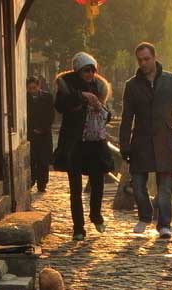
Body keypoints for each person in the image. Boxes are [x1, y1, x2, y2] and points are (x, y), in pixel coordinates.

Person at [119, 42, 172, 239]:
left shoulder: (171, 81)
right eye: (140, 60)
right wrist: (124, 144)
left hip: (165, 140)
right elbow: (127, 118)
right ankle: (145, 215)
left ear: (154, 57)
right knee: (139, 187)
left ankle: (165, 224)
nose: (143, 63)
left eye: (146, 59)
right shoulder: (131, 86)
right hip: (140, 141)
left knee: (165, 187)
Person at [54, 52, 115, 241]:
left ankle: (95, 215)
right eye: (86, 70)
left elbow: (107, 116)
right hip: (74, 144)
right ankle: (78, 228)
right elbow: (60, 106)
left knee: (98, 184)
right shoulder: (66, 87)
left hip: (95, 144)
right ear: (78, 71)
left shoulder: (99, 87)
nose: (89, 74)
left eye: (92, 70)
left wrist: (98, 107)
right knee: (75, 190)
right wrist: (81, 97)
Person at [27, 76, 54, 193]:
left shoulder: (47, 97)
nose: (32, 90)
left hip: (45, 134)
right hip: (31, 135)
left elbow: (51, 115)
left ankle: (42, 184)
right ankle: (32, 180)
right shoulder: (25, 99)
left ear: (38, 86)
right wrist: (33, 129)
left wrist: (43, 128)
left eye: (34, 87)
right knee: (33, 160)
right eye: (30, 88)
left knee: (44, 160)